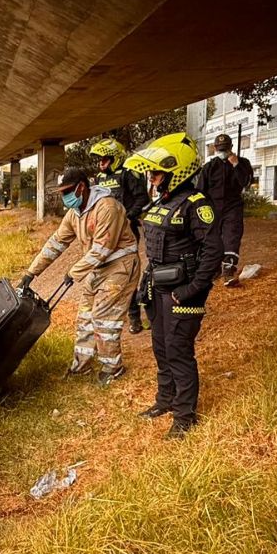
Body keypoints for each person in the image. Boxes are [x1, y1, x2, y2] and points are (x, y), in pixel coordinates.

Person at [124, 133, 223, 438]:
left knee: (179, 350)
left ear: (175, 171)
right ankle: (165, 400)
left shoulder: (196, 204)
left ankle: (185, 416)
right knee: (161, 347)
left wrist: (193, 289)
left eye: (156, 173)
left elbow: (212, 251)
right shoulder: (161, 201)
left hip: (182, 292)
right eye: (151, 174)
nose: (152, 179)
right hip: (157, 287)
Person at [19, 168, 141, 387]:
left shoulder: (107, 208)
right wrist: (31, 273)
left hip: (119, 266)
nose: (65, 197)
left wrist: (72, 273)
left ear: (81, 187)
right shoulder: (75, 214)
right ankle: (81, 366)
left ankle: (113, 367)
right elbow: (56, 243)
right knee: (85, 317)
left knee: (103, 316)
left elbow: (101, 250)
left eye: (67, 191)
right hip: (96, 268)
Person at [89, 138, 151, 333]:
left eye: (105, 158)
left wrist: (128, 217)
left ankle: (135, 318)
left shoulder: (128, 174)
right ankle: (110, 313)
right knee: (106, 273)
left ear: (115, 158)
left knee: (128, 273)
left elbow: (142, 199)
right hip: (105, 233)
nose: (101, 162)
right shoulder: (99, 178)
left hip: (126, 233)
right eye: (99, 159)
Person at [198, 133, 246, 285]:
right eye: (220, 149)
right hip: (213, 209)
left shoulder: (242, 163)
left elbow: (244, 181)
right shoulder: (209, 167)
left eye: (225, 149)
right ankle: (214, 269)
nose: (222, 152)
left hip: (233, 207)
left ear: (231, 148)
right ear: (214, 148)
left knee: (231, 236)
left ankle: (229, 271)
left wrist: (236, 164)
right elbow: (200, 191)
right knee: (213, 240)